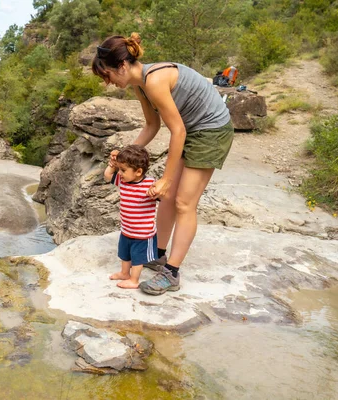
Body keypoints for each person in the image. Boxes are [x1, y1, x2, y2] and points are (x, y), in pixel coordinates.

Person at [92, 33, 234, 295]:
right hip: (192, 129)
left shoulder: (154, 80)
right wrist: (125, 155)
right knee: (166, 198)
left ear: (121, 66)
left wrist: (166, 179)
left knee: (183, 201)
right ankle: (157, 255)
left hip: (211, 130)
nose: (107, 83)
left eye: (107, 75)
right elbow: (152, 125)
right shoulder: (140, 84)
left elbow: (177, 131)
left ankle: (172, 273)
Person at [104, 144, 163, 290]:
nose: (120, 173)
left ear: (138, 171)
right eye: (119, 169)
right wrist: (112, 166)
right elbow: (107, 176)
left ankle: (134, 280)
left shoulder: (150, 184)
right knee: (125, 254)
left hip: (143, 234)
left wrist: (157, 193)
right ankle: (125, 273)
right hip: (127, 230)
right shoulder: (123, 181)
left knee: (138, 258)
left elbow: (162, 196)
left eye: (123, 170)